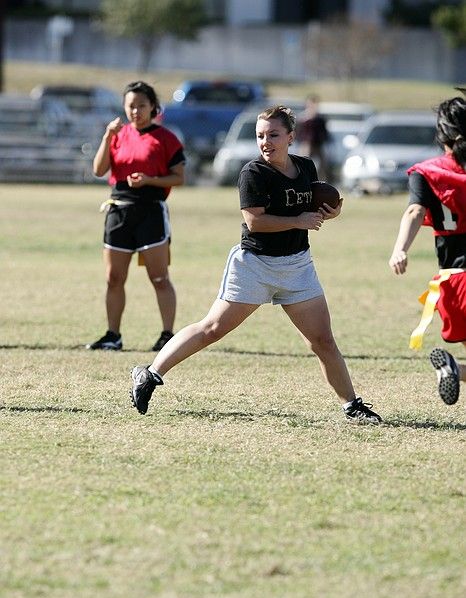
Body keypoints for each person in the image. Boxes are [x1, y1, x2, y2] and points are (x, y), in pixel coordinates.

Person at [130, 105, 381, 423]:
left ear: (291, 137)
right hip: (254, 266)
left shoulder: (306, 167)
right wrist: (299, 220)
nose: (266, 141)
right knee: (211, 329)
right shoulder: (253, 173)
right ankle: (150, 374)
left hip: (297, 266)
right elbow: (255, 222)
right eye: (260, 135)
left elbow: (318, 205)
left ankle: (352, 405)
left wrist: (333, 211)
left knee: (322, 340)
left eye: (273, 135)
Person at [87, 80, 185, 352]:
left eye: (142, 105)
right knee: (114, 278)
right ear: (124, 107)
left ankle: (167, 335)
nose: (135, 111)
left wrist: (150, 180)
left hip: (150, 212)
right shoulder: (118, 135)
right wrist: (107, 137)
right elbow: (99, 169)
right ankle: (112, 336)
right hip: (118, 211)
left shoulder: (166, 138)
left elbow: (179, 177)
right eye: (131, 105)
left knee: (159, 277)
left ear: (153, 107)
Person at [389, 90, 466, 405]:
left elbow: (414, 212)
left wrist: (400, 249)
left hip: (453, 279)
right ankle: (456, 369)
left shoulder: (427, 172)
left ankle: (454, 369)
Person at [296, 95, 330, 182]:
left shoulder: (320, 118)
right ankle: (303, 181)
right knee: (303, 163)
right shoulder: (303, 117)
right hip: (306, 144)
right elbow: (299, 132)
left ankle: (322, 182)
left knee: (322, 165)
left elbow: (324, 132)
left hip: (318, 144)